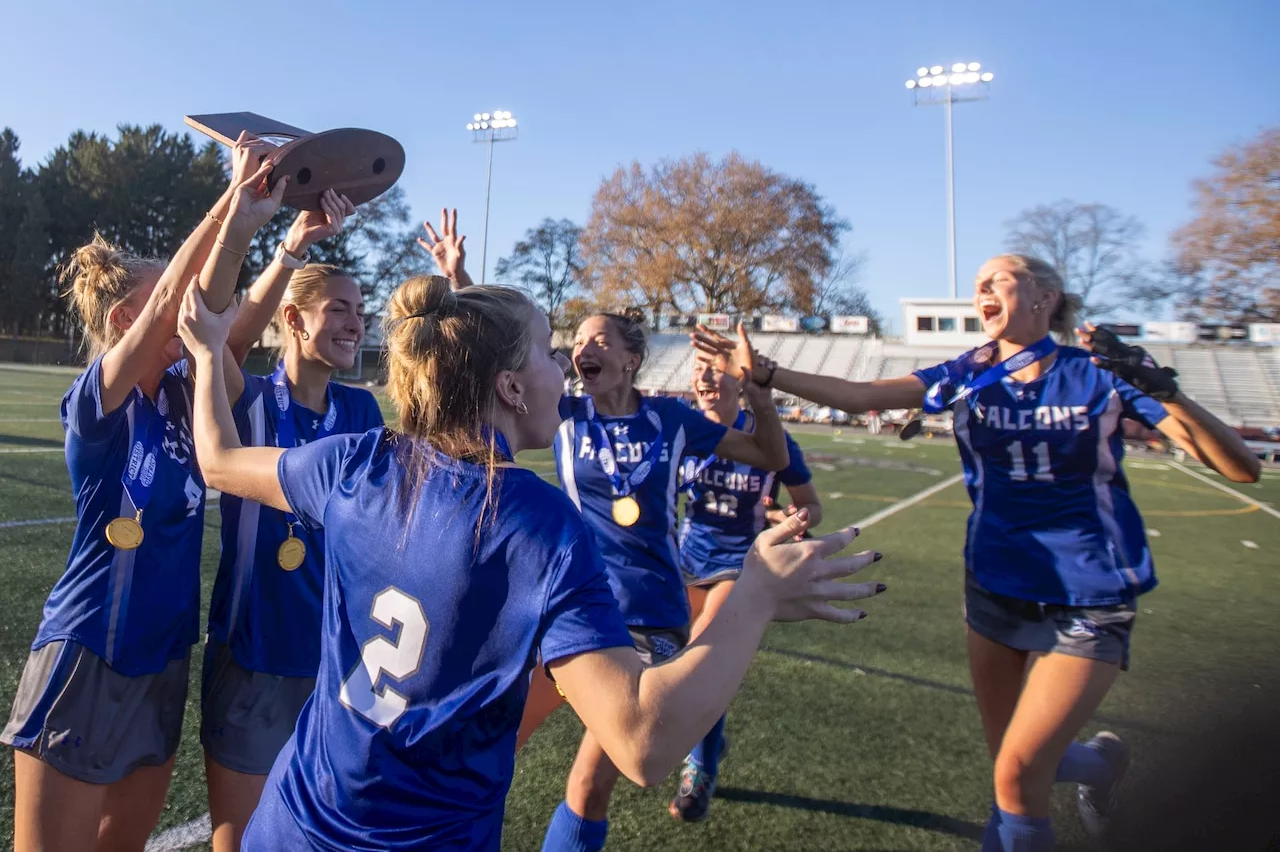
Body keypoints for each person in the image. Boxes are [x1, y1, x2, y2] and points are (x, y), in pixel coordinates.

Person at [173, 275, 886, 851]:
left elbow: (219, 460)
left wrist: (209, 354)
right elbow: (642, 739)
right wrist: (754, 597)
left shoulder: (358, 462)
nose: (562, 368)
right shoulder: (534, 523)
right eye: (549, 351)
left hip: (292, 824)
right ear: (511, 387)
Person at [694, 253, 1261, 852]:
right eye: (976, 286)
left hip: (1089, 595)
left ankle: (1087, 774)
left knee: (1017, 774)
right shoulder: (972, 369)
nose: (980, 291)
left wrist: (1163, 389)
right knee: (1013, 772)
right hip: (994, 586)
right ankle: (1099, 768)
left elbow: (1241, 468)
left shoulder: (1098, 373)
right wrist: (770, 374)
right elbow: (862, 395)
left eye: (998, 279)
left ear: (1045, 296)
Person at [1, 134, 287, 851]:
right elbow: (173, 300)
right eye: (170, 300)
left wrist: (277, 236)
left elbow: (226, 320)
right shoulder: (98, 403)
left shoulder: (190, 398)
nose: (189, 306)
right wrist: (232, 202)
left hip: (163, 659)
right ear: (128, 321)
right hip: (88, 651)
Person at [537, 314, 800, 852]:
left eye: (600, 340)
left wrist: (761, 397)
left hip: (646, 613)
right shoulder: (566, 413)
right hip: (570, 605)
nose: (585, 347)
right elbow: (500, 365)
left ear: (631, 359)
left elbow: (771, 457)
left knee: (589, 786)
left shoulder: (670, 419)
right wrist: (462, 279)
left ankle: (699, 750)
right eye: (579, 340)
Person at [197, 189, 381, 852]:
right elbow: (216, 319)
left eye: (361, 311)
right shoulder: (247, 397)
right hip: (254, 653)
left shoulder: (362, 414)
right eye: (339, 308)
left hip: (336, 658)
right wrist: (291, 244)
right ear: (293, 320)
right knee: (241, 837)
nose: (356, 322)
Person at [668, 356, 825, 822]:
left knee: (702, 658)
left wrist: (787, 520)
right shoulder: (684, 429)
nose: (706, 377)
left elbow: (811, 506)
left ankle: (699, 768)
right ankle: (709, 734)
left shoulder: (770, 438)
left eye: (718, 368)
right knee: (673, 664)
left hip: (742, 564)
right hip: (684, 560)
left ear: (741, 380)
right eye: (699, 369)